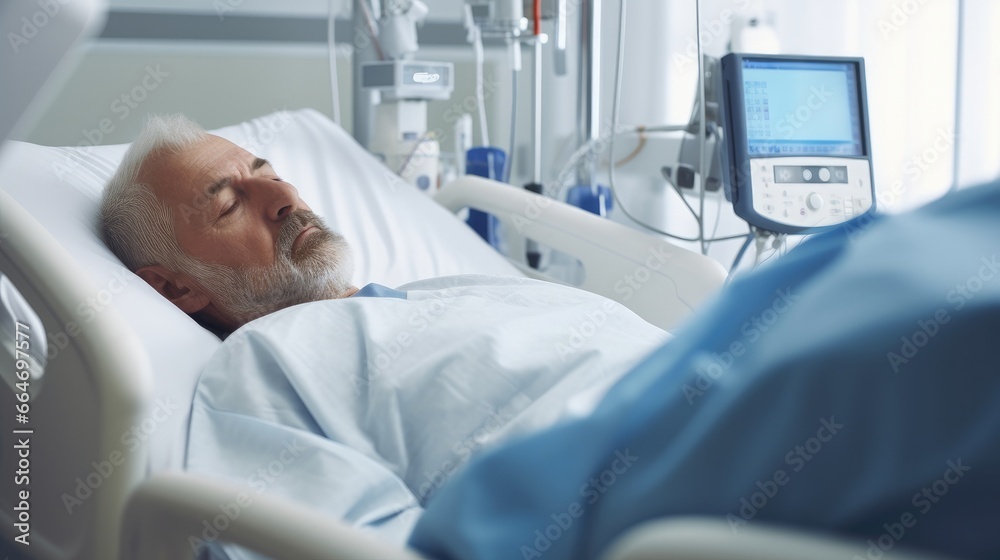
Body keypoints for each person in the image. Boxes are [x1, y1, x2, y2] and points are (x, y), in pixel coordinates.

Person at [99, 115, 672, 560]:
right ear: (176, 289)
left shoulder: (452, 290)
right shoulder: (266, 365)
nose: (286, 199)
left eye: (270, 174)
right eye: (229, 204)